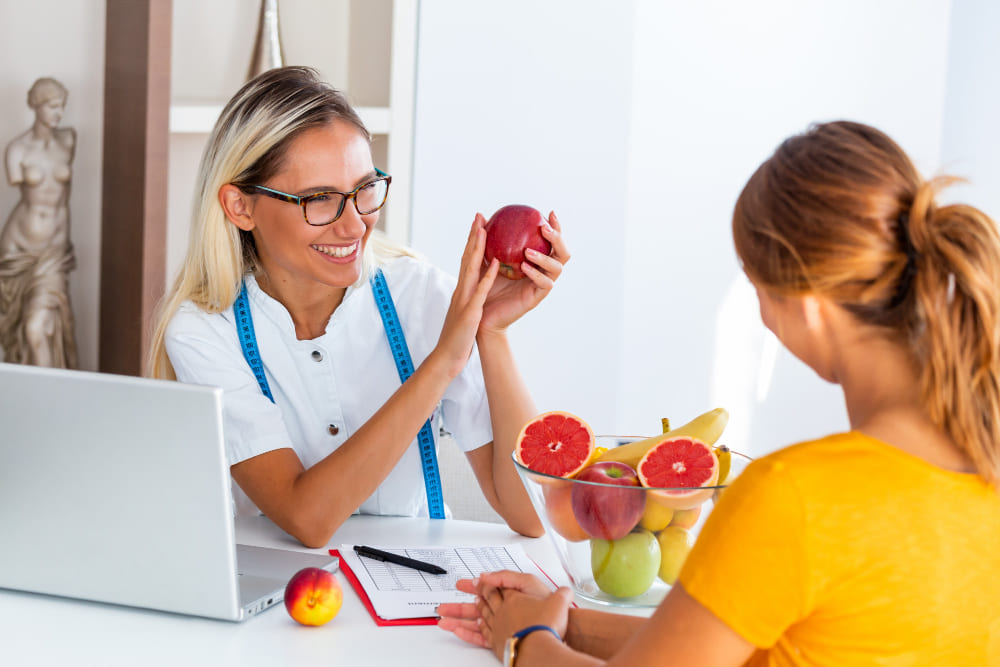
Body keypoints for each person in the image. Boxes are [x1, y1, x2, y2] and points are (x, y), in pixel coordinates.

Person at [437, 120, 1000, 665]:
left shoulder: (793, 497)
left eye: (757, 285)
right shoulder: (984, 467)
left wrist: (526, 641)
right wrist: (572, 623)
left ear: (806, 305)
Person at [146, 66, 568, 547]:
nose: (355, 227)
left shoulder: (420, 297)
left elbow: (530, 513)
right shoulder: (205, 331)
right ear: (241, 207)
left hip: (419, 591)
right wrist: (442, 364)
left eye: (365, 190)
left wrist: (490, 334)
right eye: (320, 199)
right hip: (280, 605)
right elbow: (307, 519)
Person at [0, 76, 79, 368]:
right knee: (21, 331)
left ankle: (51, 400)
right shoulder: (17, 151)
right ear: (37, 106)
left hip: (52, 253)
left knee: (38, 328)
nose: (59, 114)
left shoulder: (68, 140)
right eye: (53, 107)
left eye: (62, 107)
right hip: (17, 251)